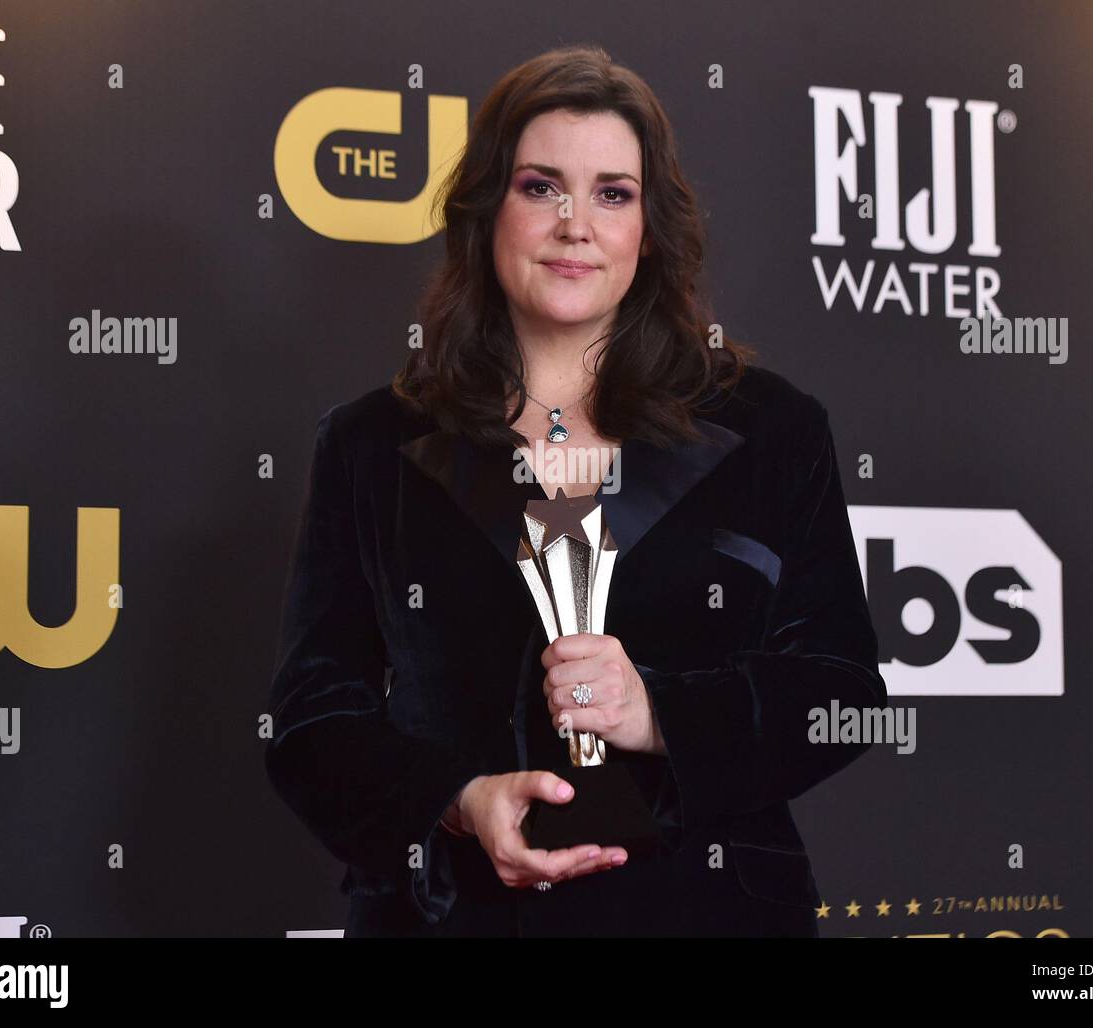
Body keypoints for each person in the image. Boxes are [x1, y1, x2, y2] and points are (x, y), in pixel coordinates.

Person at [264, 44, 887, 937]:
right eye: (540, 186)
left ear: (649, 225)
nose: (575, 224)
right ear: (487, 211)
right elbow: (313, 721)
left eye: (612, 193)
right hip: (455, 917)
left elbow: (840, 694)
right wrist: (456, 801)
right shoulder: (372, 444)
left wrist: (660, 712)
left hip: (705, 915)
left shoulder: (771, 429)